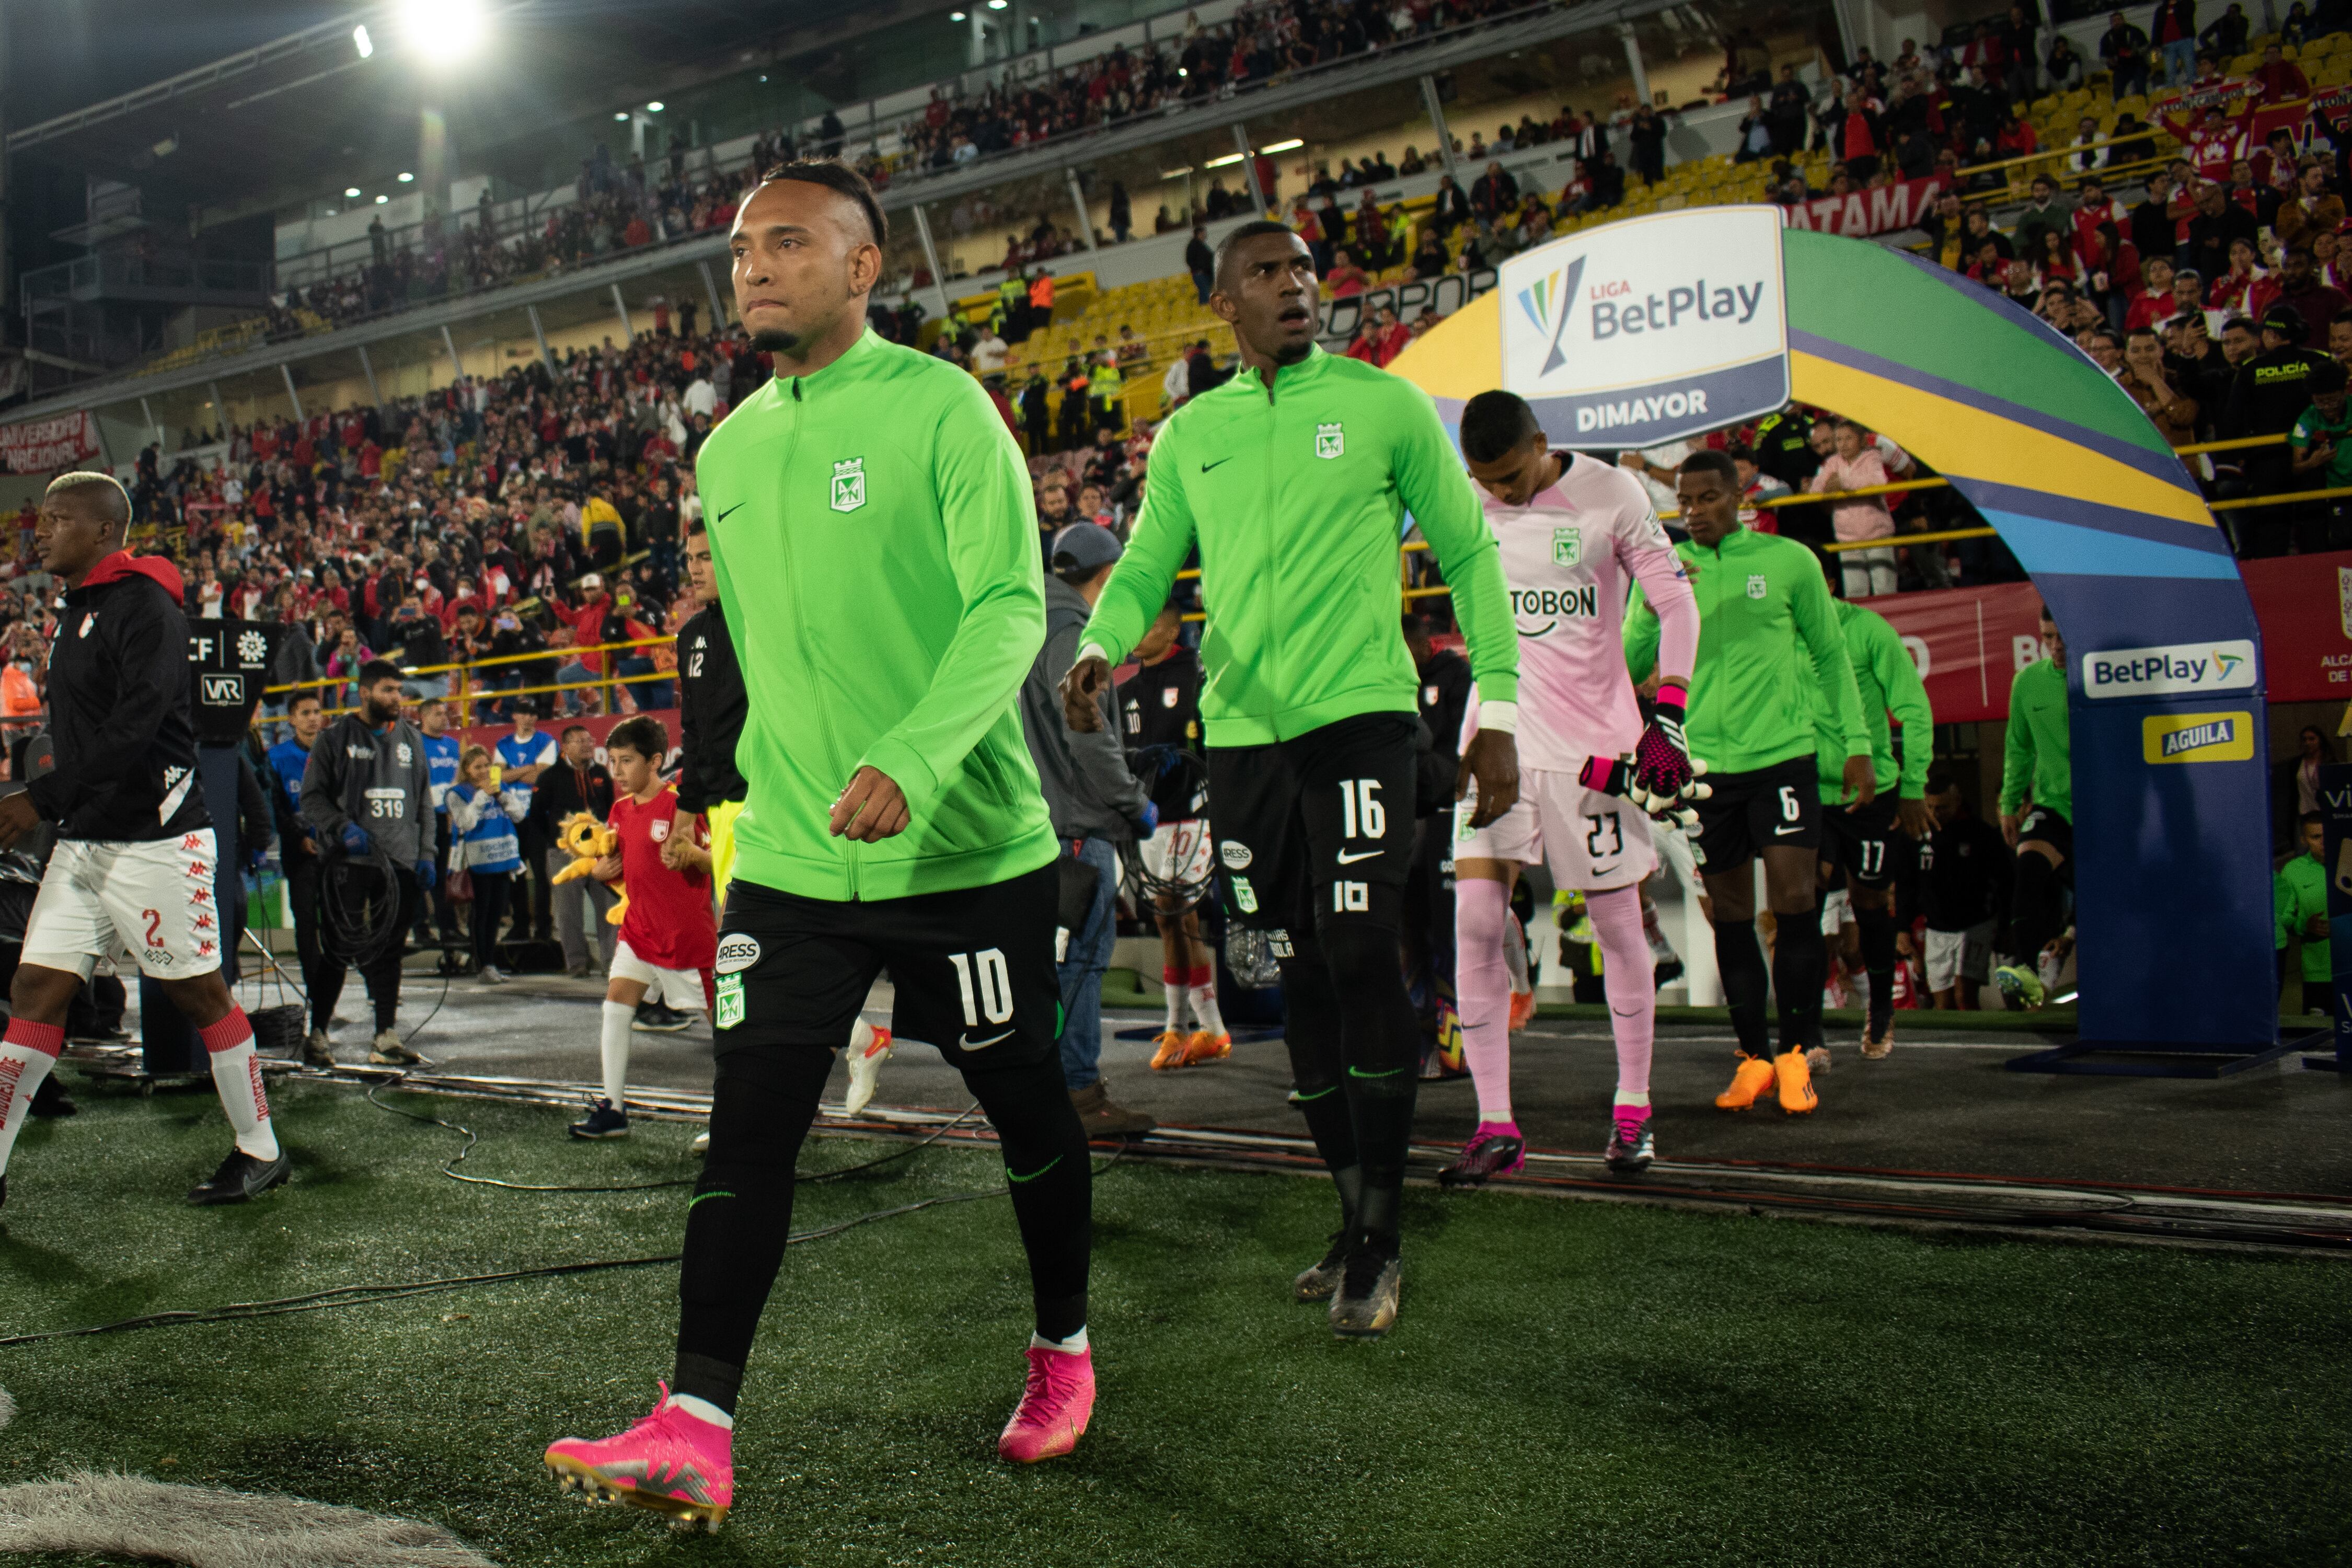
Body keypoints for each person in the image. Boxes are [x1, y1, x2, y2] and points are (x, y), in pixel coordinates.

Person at [546, 162, 1099, 1529]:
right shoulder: (726, 451)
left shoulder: (941, 410)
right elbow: (746, 654)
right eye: (740, 249)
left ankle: (1063, 1351)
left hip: (960, 850)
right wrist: (700, 786)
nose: (752, 268)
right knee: (752, 1125)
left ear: (862, 267)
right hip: (792, 860)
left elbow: (1006, 611)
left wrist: (912, 758)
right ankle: (696, 1421)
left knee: (1023, 1102)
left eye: (787, 243)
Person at [1060, 219, 1521, 1340]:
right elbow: (1148, 568)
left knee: (1364, 951)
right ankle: (1351, 1213)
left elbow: (1466, 552)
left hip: (1362, 723)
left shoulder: (1386, 407)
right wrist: (1098, 646)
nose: (1295, 287)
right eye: (1268, 273)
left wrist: (1496, 705)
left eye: (1305, 272)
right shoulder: (1190, 436)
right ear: (1225, 302)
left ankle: (1382, 1240)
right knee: (1294, 967)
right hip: (1245, 742)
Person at [0, 472, 286, 1210]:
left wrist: (41, 799)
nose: (41, 530)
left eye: (58, 519)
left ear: (102, 532)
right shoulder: (77, 609)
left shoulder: (148, 609)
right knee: (36, 989)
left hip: (157, 841)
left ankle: (261, 1149)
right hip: (86, 839)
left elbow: (133, 729)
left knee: (199, 995)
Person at [1445, 390, 1701, 1181]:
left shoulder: (1613, 494)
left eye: (1513, 475)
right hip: (1497, 743)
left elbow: (1677, 602)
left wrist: (1671, 715)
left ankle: (1633, 1112)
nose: (1501, 493)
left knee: (1621, 929)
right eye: (1485, 480)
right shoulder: (1465, 503)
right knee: (1478, 922)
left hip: (1595, 753)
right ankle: (1495, 1125)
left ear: (1543, 444)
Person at [1627, 452, 1870, 1115]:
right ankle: (1755, 1059)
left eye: (1708, 498)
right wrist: (1654, 604)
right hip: (1703, 771)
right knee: (1729, 915)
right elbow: (1630, 657)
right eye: (1685, 500)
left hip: (1783, 757)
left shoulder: (1790, 561)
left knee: (1795, 900)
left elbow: (1829, 655)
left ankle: (1795, 1056)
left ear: (1739, 497)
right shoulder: (1665, 568)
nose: (1694, 510)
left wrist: (1858, 745)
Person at [1020, 523, 1160, 1136]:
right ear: (1106, 579)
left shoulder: (1026, 617)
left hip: (1038, 823)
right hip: (1077, 826)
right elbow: (1088, 732)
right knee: (1081, 964)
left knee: (1049, 965)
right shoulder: (1074, 629)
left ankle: (1049, 1091)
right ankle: (1078, 1092)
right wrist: (1132, 802)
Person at [568, 717, 717, 1140]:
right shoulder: (618, 811)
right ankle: (613, 1108)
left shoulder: (680, 806)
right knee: (616, 1006)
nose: (616, 771)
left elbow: (717, 862)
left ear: (655, 761)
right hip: (638, 932)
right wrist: (600, 872)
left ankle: (735, 1116)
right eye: (612, 761)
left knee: (727, 1031)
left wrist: (691, 856)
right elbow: (628, 873)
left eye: (626, 761)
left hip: (685, 938)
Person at [1807, 576, 1934, 1058]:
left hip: (1870, 794)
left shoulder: (1869, 631)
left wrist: (1914, 785)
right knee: (1801, 906)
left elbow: (1914, 709)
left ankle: (1881, 1007)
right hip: (1808, 790)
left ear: (1831, 585)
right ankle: (1806, 1029)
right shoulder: (1785, 635)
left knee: (1868, 903)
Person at [301, 658, 439, 1066]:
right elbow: (311, 799)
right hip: (352, 863)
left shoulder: (413, 741)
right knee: (339, 948)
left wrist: (427, 855)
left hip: (400, 866)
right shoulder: (334, 738)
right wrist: (343, 828)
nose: (397, 698)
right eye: (388, 691)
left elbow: (424, 805)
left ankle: (385, 1037)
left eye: (399, 690)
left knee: (389, 952)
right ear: (365, 693)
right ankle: (318, 1033)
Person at [1117, 600, 1227, 1069]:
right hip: (1150, 817)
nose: (1137, 635)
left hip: (1192, 812)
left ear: (1170, 627)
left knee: (1174, 911)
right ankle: (1205, 1030)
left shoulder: (1198, 675)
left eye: (1146, 626)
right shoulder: (1127, 691)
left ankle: (1182, 1026)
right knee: (1172, 920)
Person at [1994, 601, 2071, 1010]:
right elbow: (2018, 748)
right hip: (2053, 806)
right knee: (2028, 868)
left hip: (2109, 813)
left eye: (2062, 636)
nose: (2055, 646)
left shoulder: (2104, 678)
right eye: (2047, 638)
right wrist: (2009, 804)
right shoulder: (2026, 682)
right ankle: (2025, 970)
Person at [675, 518, 748, 909]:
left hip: (766, 803)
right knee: (734, 937)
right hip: (721, 810)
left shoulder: (762, 622)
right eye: (690, 559)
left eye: (705, 557)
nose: (695, 569)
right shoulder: (690, 636)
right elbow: (693, 731)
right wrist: (685, 817)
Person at [267, 689, 339, 1067]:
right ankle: (317, 998)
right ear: (291, 719)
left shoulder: (334, 752)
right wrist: (300, 839)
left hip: (335, 854)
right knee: (307, 928)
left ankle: (324, 1006)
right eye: (306, 713)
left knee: (335, 930)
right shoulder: (277, 758)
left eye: (318, 712)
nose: (314, 718)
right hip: (301, 857)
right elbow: (276, 806)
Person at [1912, 762, 2008, 1011]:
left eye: (1942, 807)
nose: (1936, 813)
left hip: (1974, 924)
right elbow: (1907, 880)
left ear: (1957, 801)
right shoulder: (1918, 835)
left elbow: (2003, 880)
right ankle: (1951, 1050)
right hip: (1937, 928)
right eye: (1930, 807)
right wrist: (1902, 926)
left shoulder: (1981, 835)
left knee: (1965, 995)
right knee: (1942, 1003)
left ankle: (1974, 1047)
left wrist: (2004, 923)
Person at [532, 723, 620, 978]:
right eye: (580, 741)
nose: (588, 745)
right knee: (568, 911)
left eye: (590, 740)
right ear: (566, 746)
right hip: (565, 855)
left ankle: (611, 964)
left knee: (610, 906)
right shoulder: (550, 777)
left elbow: (610, 810)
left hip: (599, 853)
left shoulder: (602, 772)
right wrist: (554, 843)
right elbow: (536, 815)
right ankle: (577, 964)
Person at [446, 744, 523, 983]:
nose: (483, 771)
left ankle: (489, 963)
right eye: (477, 767)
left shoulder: (502, 788)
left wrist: (502, 796)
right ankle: (482, 964)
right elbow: (465, 823)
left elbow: (520, 815)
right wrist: (482, 798)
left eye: (487, 765)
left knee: (496, 914)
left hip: (502, 859)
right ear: (467, 770)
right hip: (477, 863)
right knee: (481, 914)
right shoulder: (457, 793)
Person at [496, 703, 558, 943]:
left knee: (542, 875)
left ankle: (543, 928)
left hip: (538, 817)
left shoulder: (546, 741)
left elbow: (542, 776)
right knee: (516, 874)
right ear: (515, 715)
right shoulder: (503, 744)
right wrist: (528, 769)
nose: (529, 718)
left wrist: (512, 772)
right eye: (524, 713)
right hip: (512, 818)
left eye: (533, 713)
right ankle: (520, 925)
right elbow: (496, 776)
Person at [418, 696, 463, 965]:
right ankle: (421, 928)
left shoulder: (453, 745)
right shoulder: (415, 743)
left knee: (445, 877)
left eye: (445, 713)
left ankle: (448, 926)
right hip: (424, 819)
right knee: (422, 875)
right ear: (423, 717)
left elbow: (456, 780)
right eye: (436, 714)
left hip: (449, 818)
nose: (443, 717)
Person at [2277, 811, 2332, 1017]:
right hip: (2318, 975)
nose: (2324, 842)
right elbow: (2284, 917)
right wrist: (2304, 926)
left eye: (2328, 835)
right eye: (2316, 837)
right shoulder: (2292, 870)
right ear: (2304, 840)